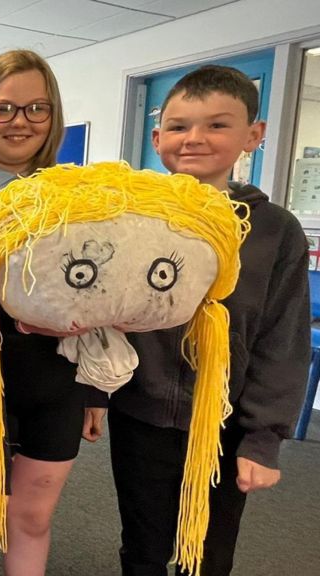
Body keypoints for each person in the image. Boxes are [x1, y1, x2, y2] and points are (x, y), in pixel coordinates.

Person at [96, 64, 310, 576]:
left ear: (253, 136)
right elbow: (99, 313)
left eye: (217, 124)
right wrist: (93, 393)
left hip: (225, 421)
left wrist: (263, 437)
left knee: (209, 551)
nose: (194, 138)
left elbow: (282, 340)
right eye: (178, 126)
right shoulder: (131, 216)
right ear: (156, 136)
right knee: (143, 541)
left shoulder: (275, 231)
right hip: (140, 413)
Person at [0, 50, 75, 576]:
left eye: (35, 109)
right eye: (2, 108)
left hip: (54, 379)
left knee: (31, 517)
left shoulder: (75, 195)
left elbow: (101, 296)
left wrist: (95, 392)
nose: (19, 122)